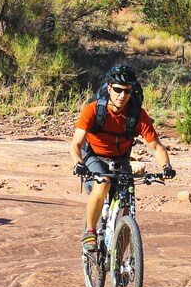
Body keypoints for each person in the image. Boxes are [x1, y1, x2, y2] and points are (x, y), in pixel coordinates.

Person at [70, 64, 176, 252]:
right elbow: (76, 144)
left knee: (127, 203)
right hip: (94, 156)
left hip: (120, 159)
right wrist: (79, 163)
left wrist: (166, 166)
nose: (122, 96)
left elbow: (156, 146)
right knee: (103, 183)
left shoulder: (137, 115)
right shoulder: (93, 110)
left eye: (127, 91)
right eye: (118, 90)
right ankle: (90, 232)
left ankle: (119, 261)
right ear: (109, 88)